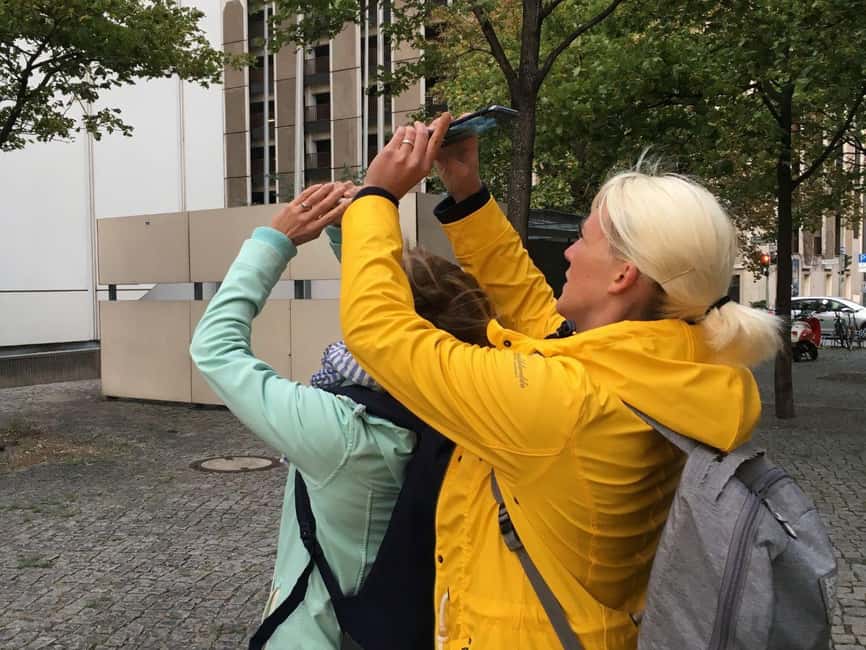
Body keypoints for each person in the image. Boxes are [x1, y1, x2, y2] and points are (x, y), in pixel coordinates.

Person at [337, 116, 783, 649]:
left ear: (623, 276)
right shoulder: (671, 367)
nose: (568, 252)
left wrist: (376, 196)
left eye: (582, 239)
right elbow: (537, 316)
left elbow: (381, 333)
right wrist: (467, 195)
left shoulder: (567, 402)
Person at [189, 181, 495, 649]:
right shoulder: (471, 404)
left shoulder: (343, 431)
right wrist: (349, 234)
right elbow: (386, 319)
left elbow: (215, 349)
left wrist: (274, 242)